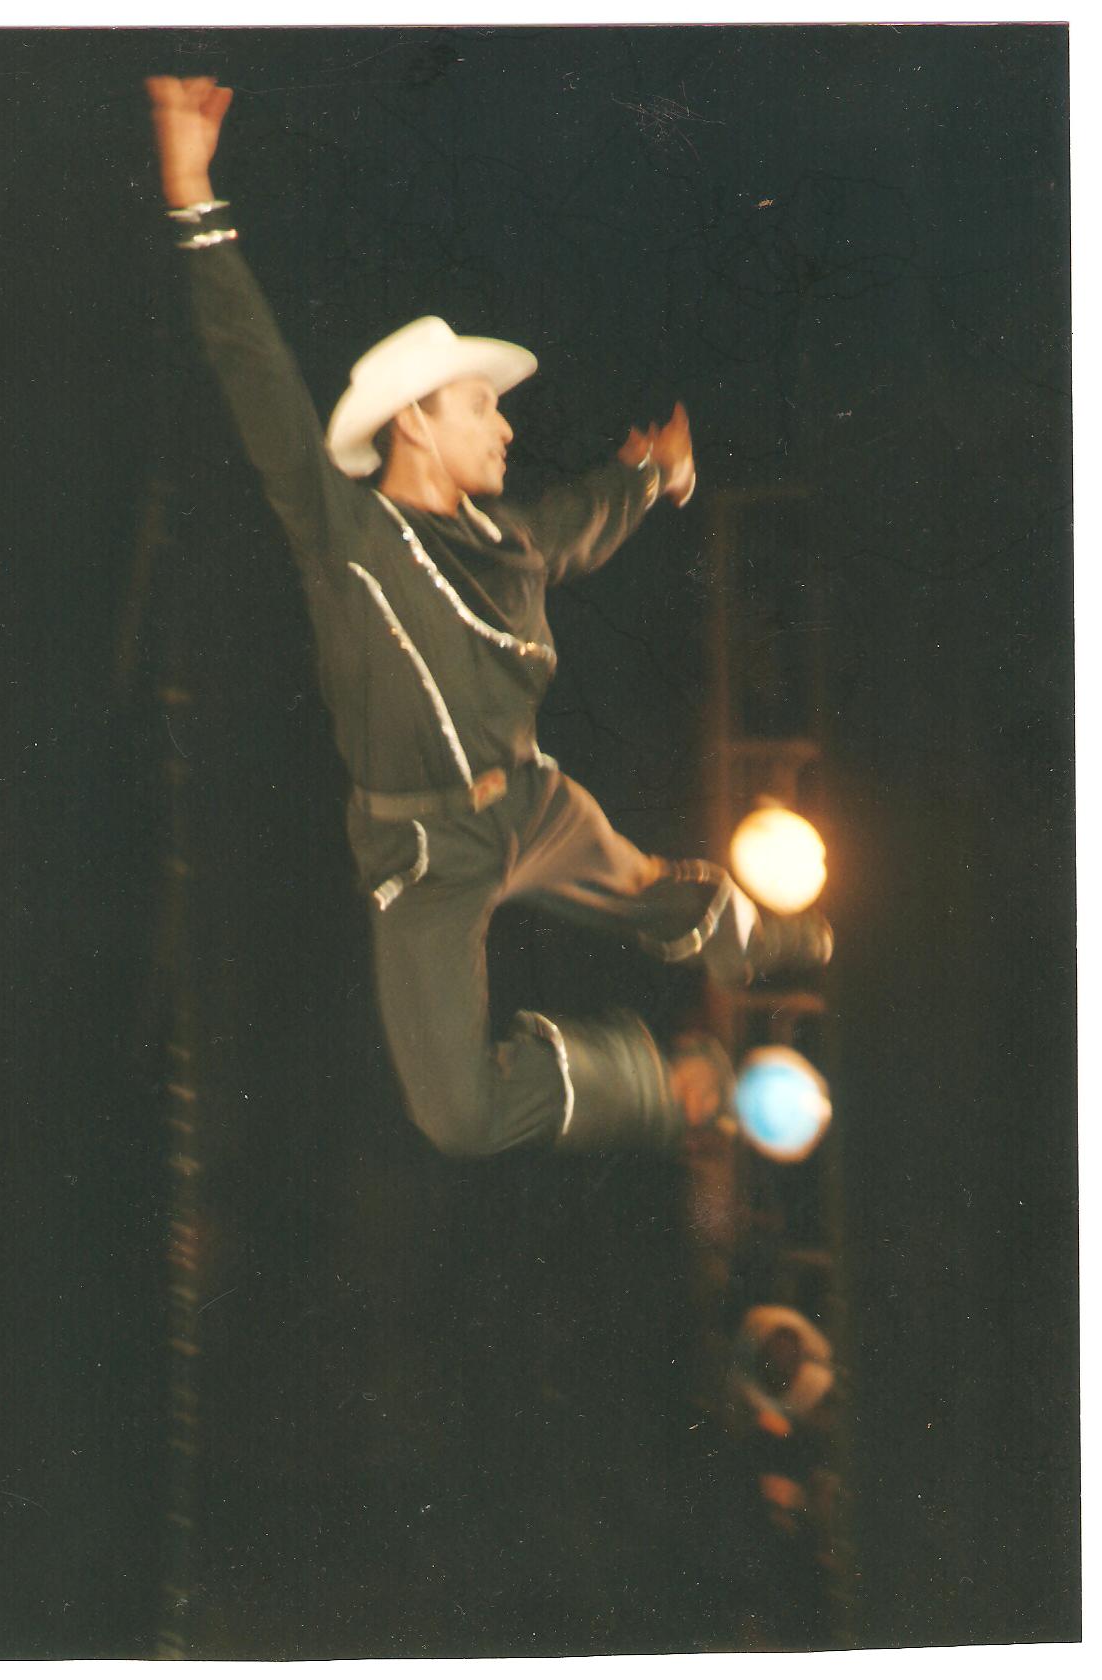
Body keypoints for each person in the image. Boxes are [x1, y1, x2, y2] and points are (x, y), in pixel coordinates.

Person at [144, 76, 831, 1160]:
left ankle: (743, 934)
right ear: (414, 422)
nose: (504, 428)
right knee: (458, 1116)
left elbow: (580, 523)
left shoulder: (508, 541)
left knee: (643, 887)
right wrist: (195, 199)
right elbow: (256, 374)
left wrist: (650, 475)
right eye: (480, 407)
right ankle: (660, 1086)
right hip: (426, 853)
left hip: (532, 803)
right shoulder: (349, 537)